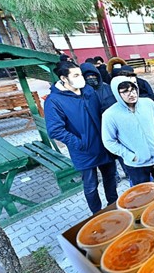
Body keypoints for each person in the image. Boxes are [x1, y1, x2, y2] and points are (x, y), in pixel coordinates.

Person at [44, 62, 118, 214]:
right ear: (64, 78)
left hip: (103, 146)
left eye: (80, 74)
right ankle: (97, 214)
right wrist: (80, 143)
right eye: (76, 75)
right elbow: (55, 130)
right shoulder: (54, 100)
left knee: (110, 178)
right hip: (84, 151)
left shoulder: (88, 91)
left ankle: (114, 206)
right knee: (91, 186)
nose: (81, 78)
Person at [102, 77, 154, 185]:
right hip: (136, 165)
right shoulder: (110, 115)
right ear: (117, 93)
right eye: (125, 91)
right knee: (143, 194)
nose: (132, 94)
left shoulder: (148, 104)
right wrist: (130, 156)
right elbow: (109, 141)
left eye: (133, 89)